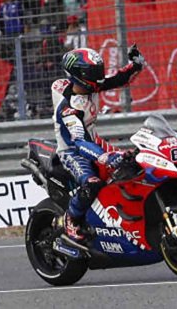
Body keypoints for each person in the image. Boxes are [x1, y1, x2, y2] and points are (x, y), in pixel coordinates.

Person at [53, 45, 146, 243]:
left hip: (95, 142)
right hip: (72, 151)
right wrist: (105, 157)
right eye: (94, 72)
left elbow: (118, 79)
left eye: (99, 71)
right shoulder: (69, 108)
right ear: (79, 75)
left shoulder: (92, 85)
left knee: (132, 162)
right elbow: (79, 142)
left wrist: (136, 65)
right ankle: (71, 219)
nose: (100, 77)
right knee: (92, 183)